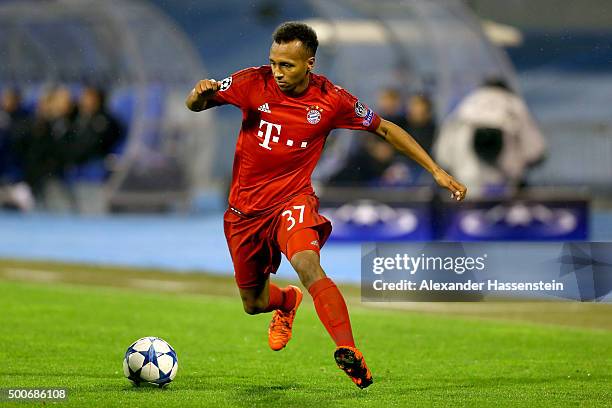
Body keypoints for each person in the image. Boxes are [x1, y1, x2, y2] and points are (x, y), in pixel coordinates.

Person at [186, 22, 466, 389]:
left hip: (293, 200)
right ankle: (287, 302)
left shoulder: (331, 100)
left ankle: (349, 350)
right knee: (253, 303)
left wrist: (436, 170)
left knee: (307, 263)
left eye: (287, 65)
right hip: (244, 212)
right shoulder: (251, 82)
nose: (277, 72)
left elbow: (384, 128)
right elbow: (195, 104)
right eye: (273, 62)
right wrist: (199, 93)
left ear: (310, 63)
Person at [434, 78, 545, 197]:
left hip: (468, 176)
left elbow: (442, 153)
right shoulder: (513, 103)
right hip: (506, 178)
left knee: (470, 207)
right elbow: (535, 150)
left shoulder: (467, 102)